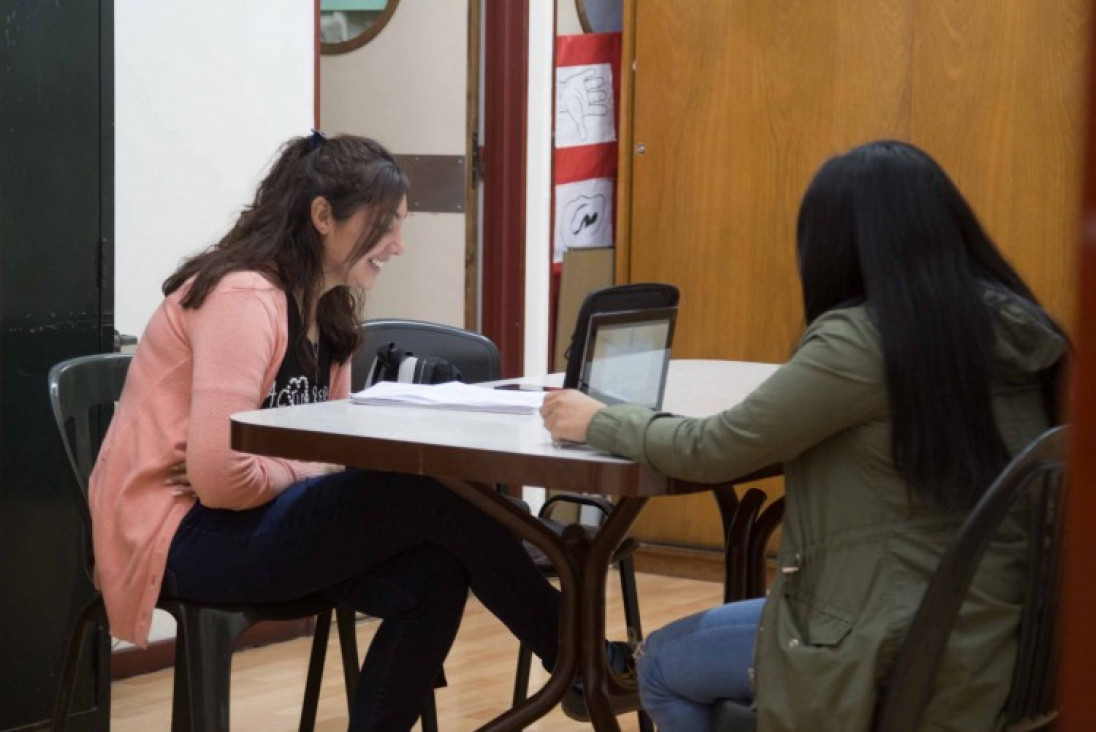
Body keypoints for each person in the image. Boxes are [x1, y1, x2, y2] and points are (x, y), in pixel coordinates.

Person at [540, 140, 1067, 731]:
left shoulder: (864, 342)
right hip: (1007, 645)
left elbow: (715, 448)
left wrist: (600, 419)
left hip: (894, 648)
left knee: (659, 664)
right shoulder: (1021, 330)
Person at [89, 132, 568, 730]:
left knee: (436, 575)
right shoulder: (245, 297)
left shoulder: (329, 310)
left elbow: (323, 454)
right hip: (181, 535)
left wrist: (297, 467)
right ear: (322, 216)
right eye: (386, 225)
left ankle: (572, 655)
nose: (400, 244)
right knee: (430, 492)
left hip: (254, 516)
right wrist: (310, 467)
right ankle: (576, 655)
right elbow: (221, 481)